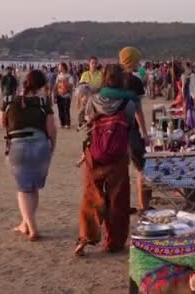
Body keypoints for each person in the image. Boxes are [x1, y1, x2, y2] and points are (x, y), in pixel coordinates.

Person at [76, 64, 136, 256]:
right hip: (118, 156)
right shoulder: (128, 102)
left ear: (104, 78)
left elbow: (83, 121)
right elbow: (130, 126)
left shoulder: (94, 99)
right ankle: (114, 242)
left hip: (94, 154)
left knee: (91, 196)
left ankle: (86, 237)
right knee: (118, 199)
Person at [0, 70, 56, 242]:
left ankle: (32, 228)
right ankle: (26, 223)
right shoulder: (43, 102)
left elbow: (2, 122)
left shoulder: (9, 100)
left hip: (18, 145)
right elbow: (51, 129)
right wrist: (51, 149)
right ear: (41, 85)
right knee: (33, 187)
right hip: (40, 145)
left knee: (23, 188)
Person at [119, 47, 151, 212]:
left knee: (119, 169)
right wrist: (145, 133)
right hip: (130, 128)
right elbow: (138, 110)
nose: (139, 62)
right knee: (141, 167)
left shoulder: (111, 78)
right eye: (137, 60)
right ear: (132, 60)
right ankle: (142, 205)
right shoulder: (134, 81)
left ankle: (121, 206)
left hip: (112, 130)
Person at [53, 62, 74, 128]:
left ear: (64, 67)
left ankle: (67, 124)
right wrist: (54, 92)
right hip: (59, 95)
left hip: (67, 95)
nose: (59, 68)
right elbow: (56, 85)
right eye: (59, 67)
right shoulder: (58, 76)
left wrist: (65, 82)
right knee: (60, 110)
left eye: (60, 66)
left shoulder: (69, 76)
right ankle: (62, 123)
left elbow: (71, 85)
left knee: (66, 109)